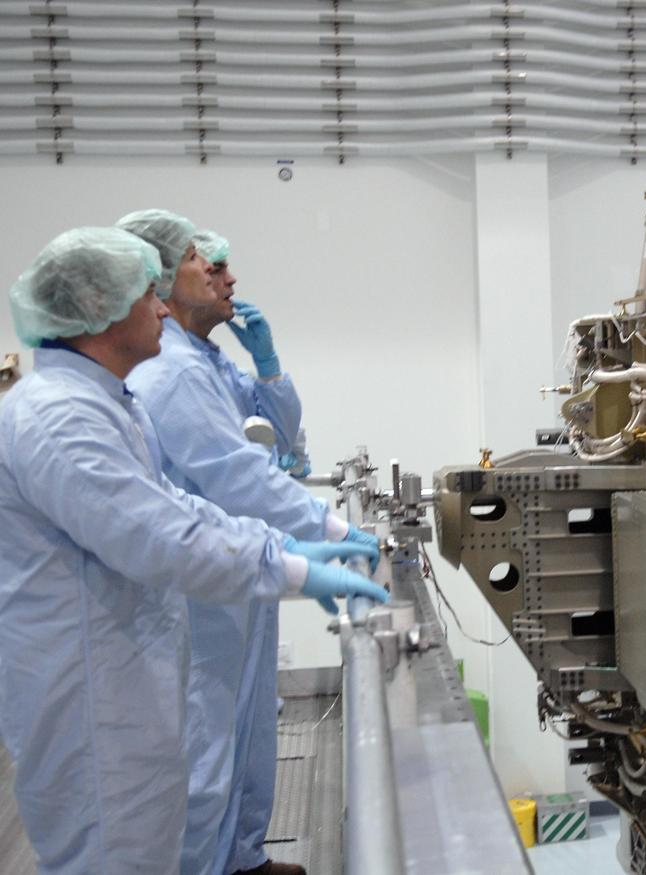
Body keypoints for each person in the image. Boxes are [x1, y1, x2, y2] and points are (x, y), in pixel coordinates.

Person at [0, 227, 387, 875]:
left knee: (166, 824)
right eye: (142, 295)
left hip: (127, 674)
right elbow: (161, 535)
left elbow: (179, 505)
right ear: (96, 310)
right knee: (119, 851)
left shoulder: (104, 402)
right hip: (92, 698)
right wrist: (290, 562)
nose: (159, 309)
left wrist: (281, 542)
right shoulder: (60, 418)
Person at [125, 214, 376, 875]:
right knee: (206, 746)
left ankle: (240, 856)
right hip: (199, 586)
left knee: (248, 723)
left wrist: (266, 360)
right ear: (159, 281)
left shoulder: (205, 360)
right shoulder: (173, 372)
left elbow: (280, 434)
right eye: (210, 268)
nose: (230, 277)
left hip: (235, 567)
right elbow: (237, 470)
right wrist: (333, 529)